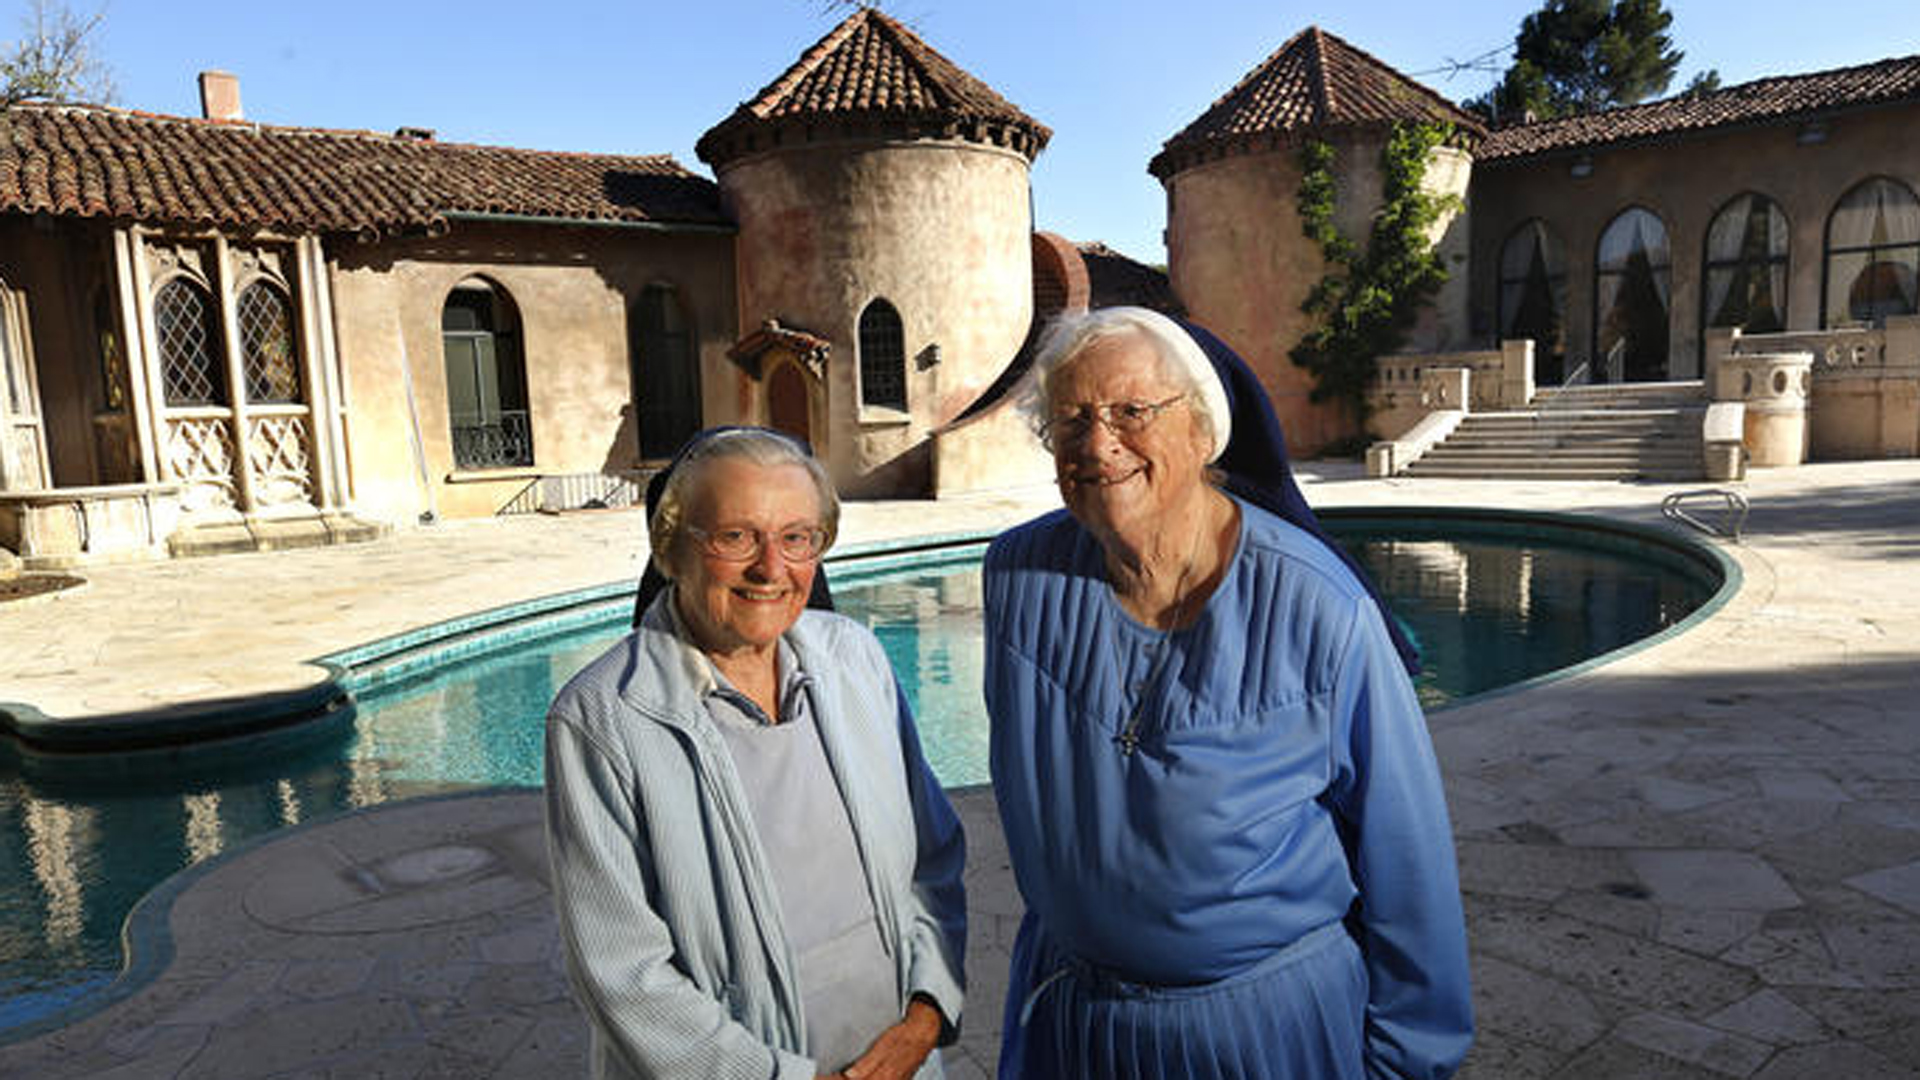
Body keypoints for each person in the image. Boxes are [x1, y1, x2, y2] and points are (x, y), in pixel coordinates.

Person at [983, 307, 1472, 1079]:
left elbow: (1405, 856)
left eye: (1132, 412)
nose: (1099, 443)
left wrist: (1409, 1061)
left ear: (1204, 432)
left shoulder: (1322, 608)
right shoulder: (1016, 580)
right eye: (1072, 420)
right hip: (1073, 1031)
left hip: (1259, 1036)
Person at [545, 427, 966, 1080]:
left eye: (797, 537)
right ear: (669, 548)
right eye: (735, 537)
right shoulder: (602, 718)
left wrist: (925, 1016)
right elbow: (623, 972)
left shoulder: (857, 660)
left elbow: (932, 861)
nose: (772, 568)